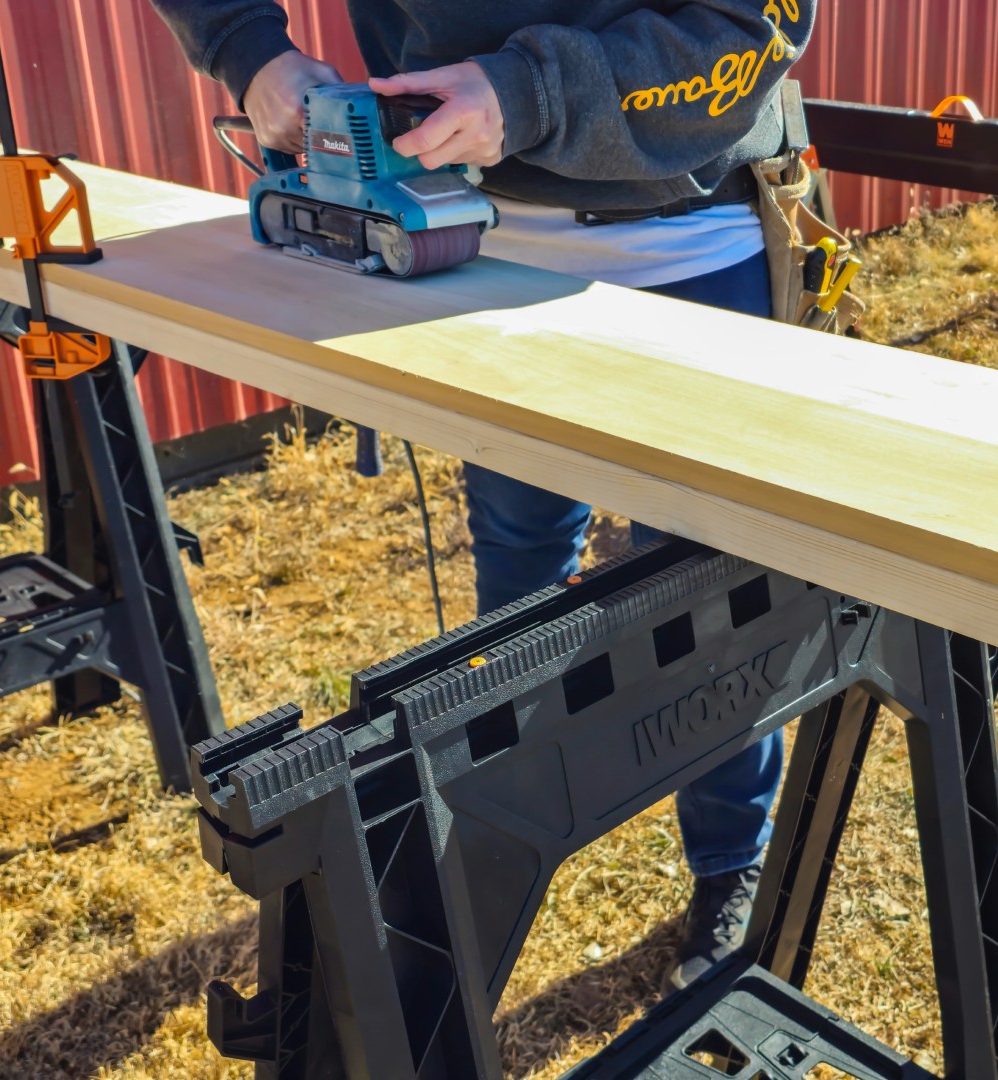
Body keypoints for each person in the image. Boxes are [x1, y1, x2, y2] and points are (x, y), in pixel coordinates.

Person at [149, 0, 815, 990]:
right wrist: (250, 52)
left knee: (711, 603)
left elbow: (743, 26)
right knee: (515, 582)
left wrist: (525, 94)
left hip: (686, 243)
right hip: (477, 242)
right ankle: (501, 855)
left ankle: (727, 865)